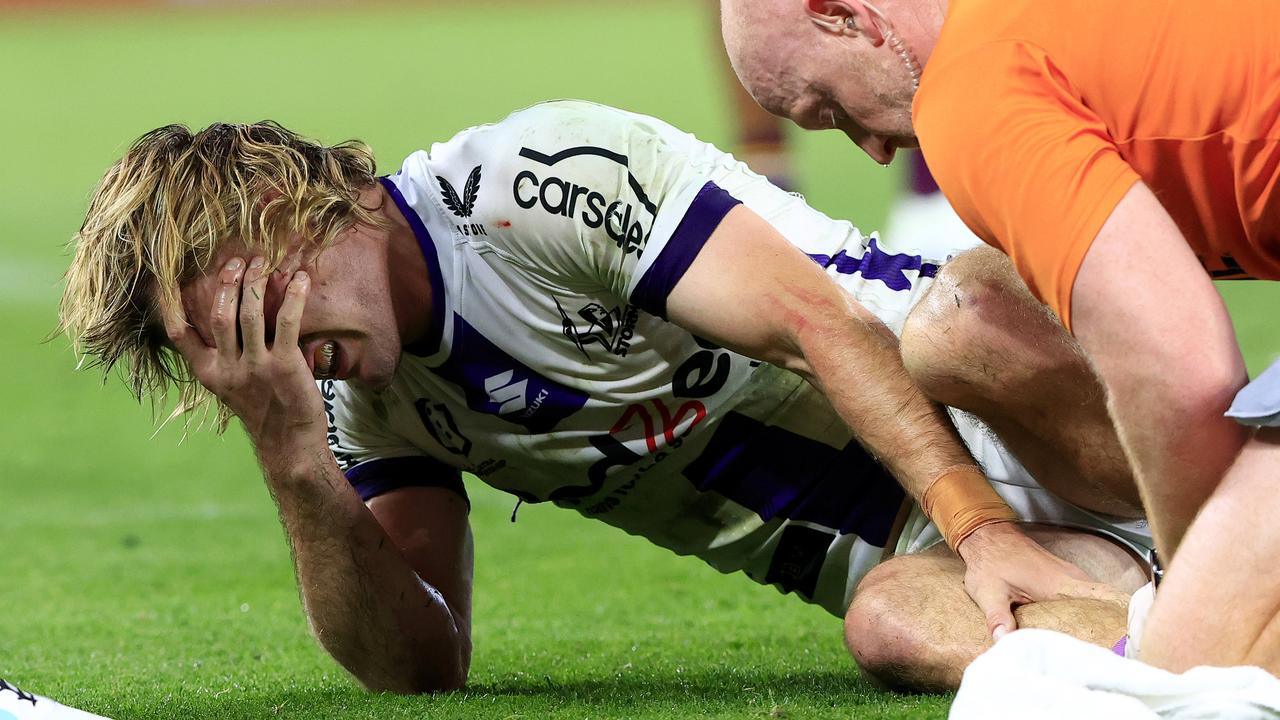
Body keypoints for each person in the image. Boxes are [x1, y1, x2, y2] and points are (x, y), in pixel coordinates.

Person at [59, 100, 1148, 693]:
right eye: (228, 354)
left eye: (253, 317)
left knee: (962, 321)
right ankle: (1208, 648)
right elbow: (420, 667)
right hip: (935, 552)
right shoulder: (364, 406)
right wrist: (290, 453)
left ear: (277, 208)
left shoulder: (530, 184)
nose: (272, 360)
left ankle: (1216, 498)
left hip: (1016, 413)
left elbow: (822, 330)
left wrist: (984, 526)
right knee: (886, 628)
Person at [720, 0, 1280, 674]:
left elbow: (1176, 371)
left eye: (829, 107)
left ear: (844, 16)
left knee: (1205, 659)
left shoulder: (969, 92)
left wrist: (1198, 605)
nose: (870, 150)